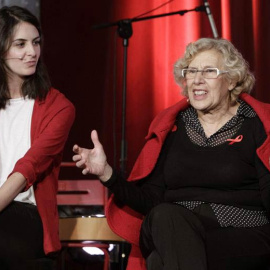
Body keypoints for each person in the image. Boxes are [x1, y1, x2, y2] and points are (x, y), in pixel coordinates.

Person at [73, 38, 270, 270]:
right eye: (191, 71)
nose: (197, 80)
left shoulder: (256, 125)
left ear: (232, 80)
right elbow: (150, 200)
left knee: (160, 260)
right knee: (166, 217)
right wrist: (107, 174)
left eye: (209, 71)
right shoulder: (172, 127)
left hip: (239, 231)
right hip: (171, 223)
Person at [0, 6, 75, 270]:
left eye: (35, 42)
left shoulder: (58, 107)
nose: (32, 52)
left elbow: (27, 168)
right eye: (20, 44)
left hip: (27, 216)